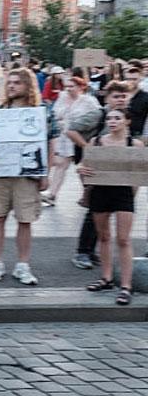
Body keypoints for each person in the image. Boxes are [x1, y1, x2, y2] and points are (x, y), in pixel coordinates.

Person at [0, 68, 52, 285]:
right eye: (9, 82)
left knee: (25, 219)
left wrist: (45, 173)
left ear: (28, 86)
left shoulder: (41, 111)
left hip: (27, 173)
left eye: (17, 82)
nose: (11, 86)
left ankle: (23, 265)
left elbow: (51, 141)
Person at [78, 108, 141, 304]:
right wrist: (82, 171)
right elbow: (83, 165)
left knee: (123, 239)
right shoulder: (96, 141)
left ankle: (126, 286)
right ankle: (106, 278)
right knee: (103, 236)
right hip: (100, 191)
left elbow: (139, 173)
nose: (112, 121)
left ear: (127, 121)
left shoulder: (134, 144)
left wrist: (132, 194)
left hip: (123, 193)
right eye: (109, 118)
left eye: (117, 118)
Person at [45, 75, 98, 206]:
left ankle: (88, 194)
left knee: (84, 167)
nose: (68, 89)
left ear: (80, 87)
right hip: (64, 136)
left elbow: (97, 116)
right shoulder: (62, 97)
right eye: (66, 86)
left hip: (81, 136)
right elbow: (55, 114)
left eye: (71, 86)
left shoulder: (89, 100)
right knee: (61, 164)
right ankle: (52, 194)